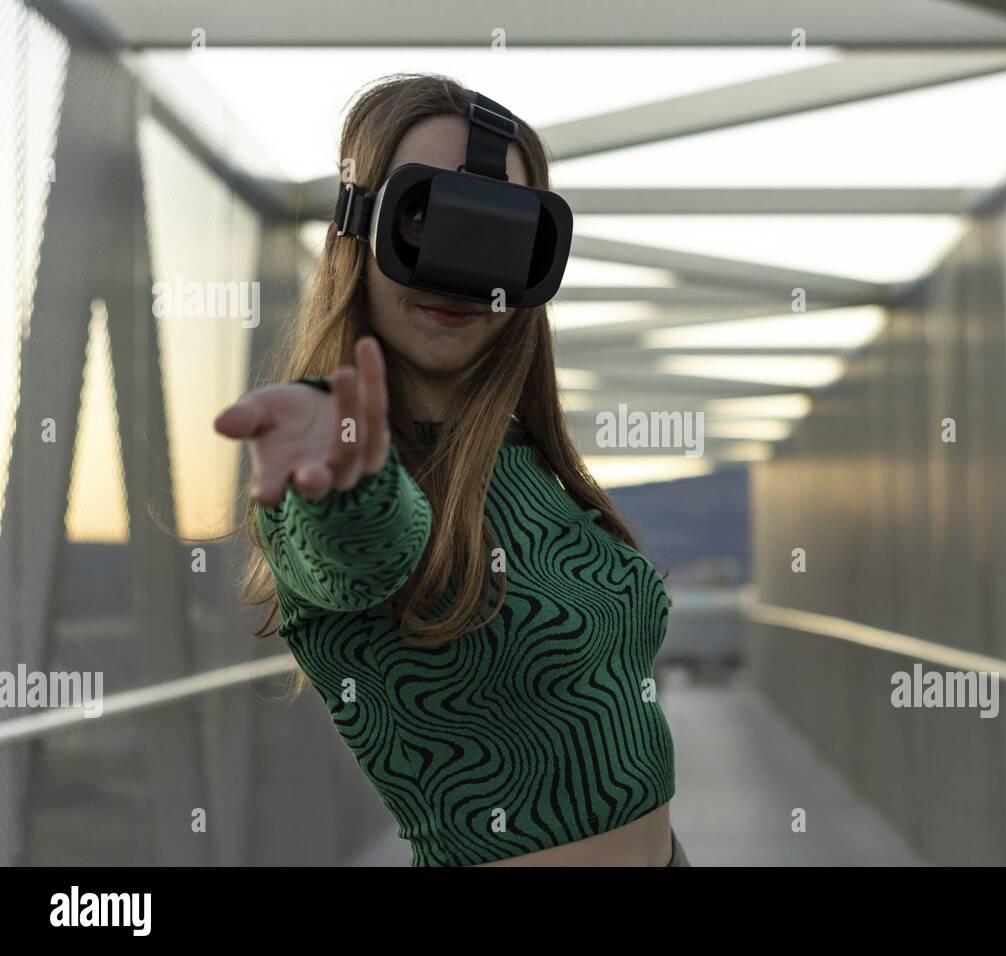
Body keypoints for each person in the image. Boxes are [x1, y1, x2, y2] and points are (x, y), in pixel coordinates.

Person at [214, 74, 688, 867]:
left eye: (497, 230)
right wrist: (349, 482)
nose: (458, 269)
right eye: (424, 218)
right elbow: (364, 543)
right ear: (355, 229)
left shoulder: (527, 457)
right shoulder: (340, 456)